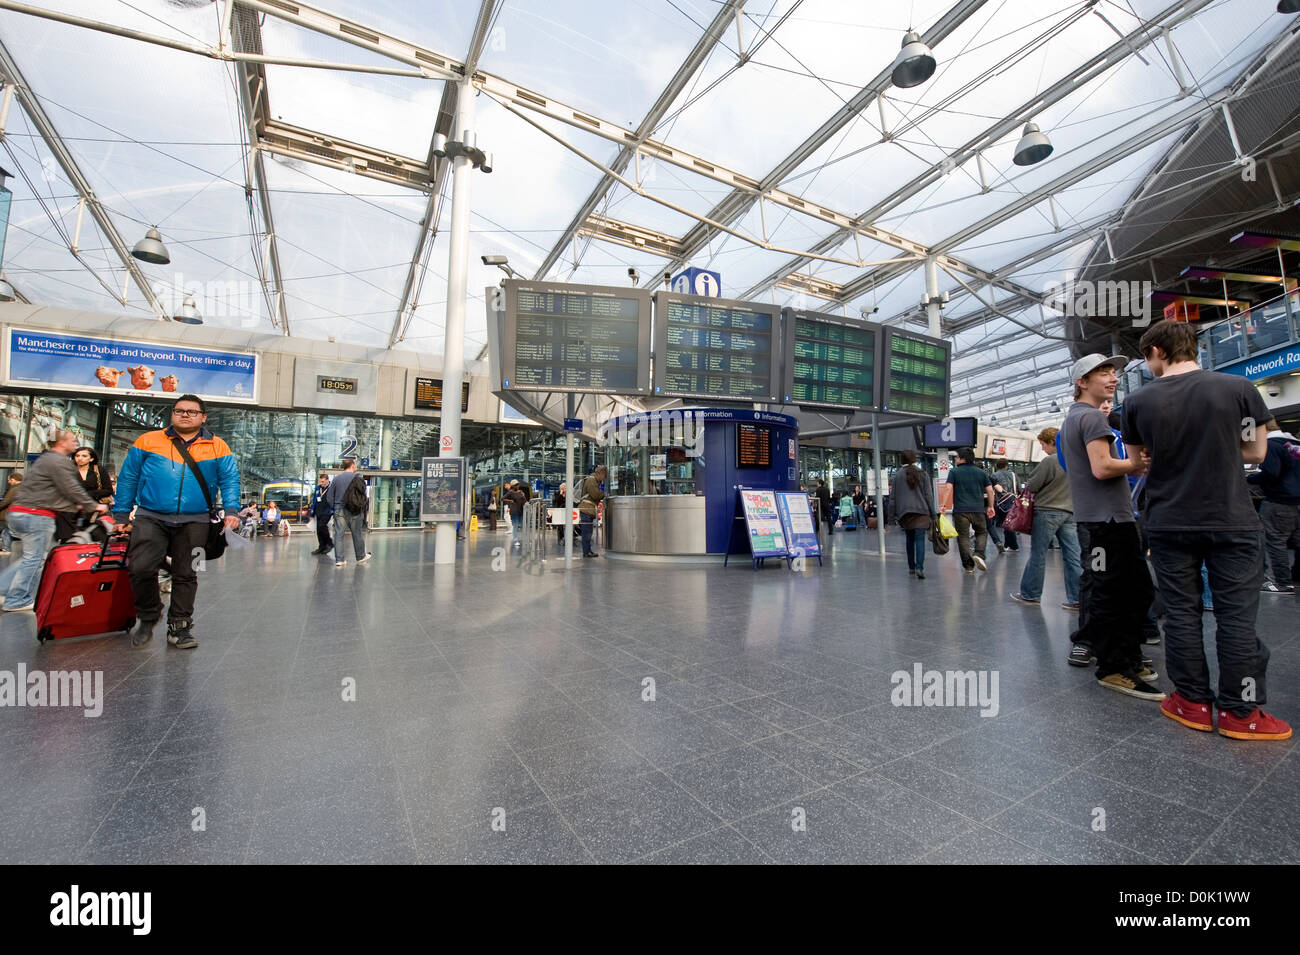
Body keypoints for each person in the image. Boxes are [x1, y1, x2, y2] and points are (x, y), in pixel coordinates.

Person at [1123, 320, 1290, 740]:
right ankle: (1242, 713)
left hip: (1168, 521)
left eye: (1147, 357)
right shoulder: (1238, 390)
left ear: (1157, 351)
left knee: (1181, 615)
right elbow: (1255, 451)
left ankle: (1191, 702)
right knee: (1237, 617)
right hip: (1231, 518)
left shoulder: (1138, 402)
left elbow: (1139, 458)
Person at [1059, 354, 1159, 700]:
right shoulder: (1091, 419)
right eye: (1102, 373)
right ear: (1081, 383)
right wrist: (1135, 462)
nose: (1112, 378)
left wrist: (1129, 465)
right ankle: (1115, 667)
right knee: (1119, 592)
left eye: (1113, 372)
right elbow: (1101, 468)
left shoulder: (1075, 418)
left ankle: (1126, 657)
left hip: (1100, 519)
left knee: (1124, 589)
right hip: (1107, 521)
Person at [111, 396, 240, 649]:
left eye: (192, 412)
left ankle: (179, 628)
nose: (185, 415)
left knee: (187, 574)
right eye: (179, 410)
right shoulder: (148, 441)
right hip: (151, 516)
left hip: (198, 520)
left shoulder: (218, 446)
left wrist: (232, 510)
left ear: (203, 417)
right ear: (172, 414)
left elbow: (230, 479)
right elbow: (128, 478)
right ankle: (149, 614)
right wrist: (121, 514)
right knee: (140, 567)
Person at [0, 431, 107, 612]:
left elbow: (54, 490)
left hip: (20, 513)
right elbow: (71, 488)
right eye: (73, 441)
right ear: (62, 442)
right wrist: (92, 505)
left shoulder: (45, 459)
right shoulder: (60, 462)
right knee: (35, 558)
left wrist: (75, 506)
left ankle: (5, 588)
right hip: (37, 516)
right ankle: (16, 599)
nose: (75, 445)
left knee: (31, 557)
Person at [1010, 428, 1081, 609]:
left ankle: (1031, 594)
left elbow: (1032, 485)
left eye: (1043, 444)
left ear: (1051, 442)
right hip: (1071, 512)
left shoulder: (1051, 461)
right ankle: (1078, 598)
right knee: (1073, 555)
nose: (1042, 449)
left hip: (1047, 511)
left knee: (1038, 554)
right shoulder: (1076, 460)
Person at [1247, 424, 1300, 595]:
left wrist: (1250, 478)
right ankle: (1296, 576)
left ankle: (1283, 582)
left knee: (1276, 541)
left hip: (1279, 499)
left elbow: (1271, 472)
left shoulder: (1271, 445)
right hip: (1296, 500)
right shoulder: (1294, 444)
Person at [946, 447, 996, 574]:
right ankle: (979, 553)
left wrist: (943, 505)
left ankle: (968, 567)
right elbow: (990, 491)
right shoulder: (981, 472)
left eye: (957, 457)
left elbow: (948, 488)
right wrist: (991, 506)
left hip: (960, 511)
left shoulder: (954, 472)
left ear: (962, 458)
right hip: (978, 510)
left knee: (963, 538)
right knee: (982, 532)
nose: (955, 459)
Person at [889, 450, 935, 579]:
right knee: (920, 539)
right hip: (922, 512)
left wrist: (891, 519)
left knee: (909, 540)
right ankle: (920, 567)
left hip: (905, 513)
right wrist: (933, 514)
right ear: (914, 459)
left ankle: (911, 567)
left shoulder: (897, 476)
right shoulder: (923, 474)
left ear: (901, 460)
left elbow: (892, 499)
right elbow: (928, 496)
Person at [55, 446, 114, 542]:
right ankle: (69, 543)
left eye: (84, 456)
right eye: (77, 456)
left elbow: (108, 490)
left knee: (95, 530)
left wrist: (89, 494)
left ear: (91, 458)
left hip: (94, 505)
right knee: (65, 520)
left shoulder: (98, 470)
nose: (80, 458)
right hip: (73, 505)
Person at [325, 458, 370, 567]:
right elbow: (364, 496)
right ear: (353, 465)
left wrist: (335, 507)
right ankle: (360, 557)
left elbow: (329, 497)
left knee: (339, 534)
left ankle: (339, 560)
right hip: (355, 510)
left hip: (339, 509)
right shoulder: (358, 478)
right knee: (357, 533)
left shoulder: (337, 479)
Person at [990, 458, 1019, 552]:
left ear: (997, 466)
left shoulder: (994, 475)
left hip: (1000, 503)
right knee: (1009, 523)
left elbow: (992, 489)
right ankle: (1009, 544)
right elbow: (1019, 489)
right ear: (1007, 465)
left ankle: (1013, 545)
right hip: (1013, 502)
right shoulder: (1014, 475)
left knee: (1005, 523)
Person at [577, 465, 606, 558]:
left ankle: (588, 550)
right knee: (587, 532)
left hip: (589, 509)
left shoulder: (593, 480)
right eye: (604, 476)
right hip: (587, 510)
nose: (604, 478)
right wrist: (603, 494)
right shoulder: (591, 480)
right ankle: (586, 552)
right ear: (600, 473)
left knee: (588, 532)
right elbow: (596, 495)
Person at [308, 474, 333, 555]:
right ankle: (321, 547)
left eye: (323, 481)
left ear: (327, 480)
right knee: (318, 530)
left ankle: (329, 543)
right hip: (318, 511)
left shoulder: (331, 488)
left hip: (327, 511)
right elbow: (315, 500)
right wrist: (312, 513)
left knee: (322, 526)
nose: (321, 483)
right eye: (320, 481)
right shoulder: (318, 488)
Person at [0, 471, 23, 555]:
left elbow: (6, 501)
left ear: (13, 479)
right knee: (7, 530)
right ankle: (6, 547)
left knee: (8, 530)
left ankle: (6, 548)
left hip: (11, 512)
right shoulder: (24, 488)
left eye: (9, 480)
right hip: (18, 513)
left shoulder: (15, 489)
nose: (8, 482)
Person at [503, 480, 527, 546]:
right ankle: (515, 540)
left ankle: (525, 539)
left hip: (520, 511)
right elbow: (502, 498)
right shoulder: (510, 492)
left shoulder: (520, 492)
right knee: (515, 526)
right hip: (514, 512)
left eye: (518, 484)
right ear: (513, 486)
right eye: (516, 485)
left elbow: (524, 501)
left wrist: (523, 495)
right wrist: (510, 500)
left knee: (523, 526)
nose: (518, 486)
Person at [552, 482, 569, 550]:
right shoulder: (557, 493)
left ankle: (567, 538)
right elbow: (556, 501)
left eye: (564, 488)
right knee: (560, 526)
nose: (564, 489)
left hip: (566, 511)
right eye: (562, 488)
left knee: (566, 525)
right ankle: (560, 538)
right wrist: (561, 494)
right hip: (559, 511)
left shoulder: (568, 494)